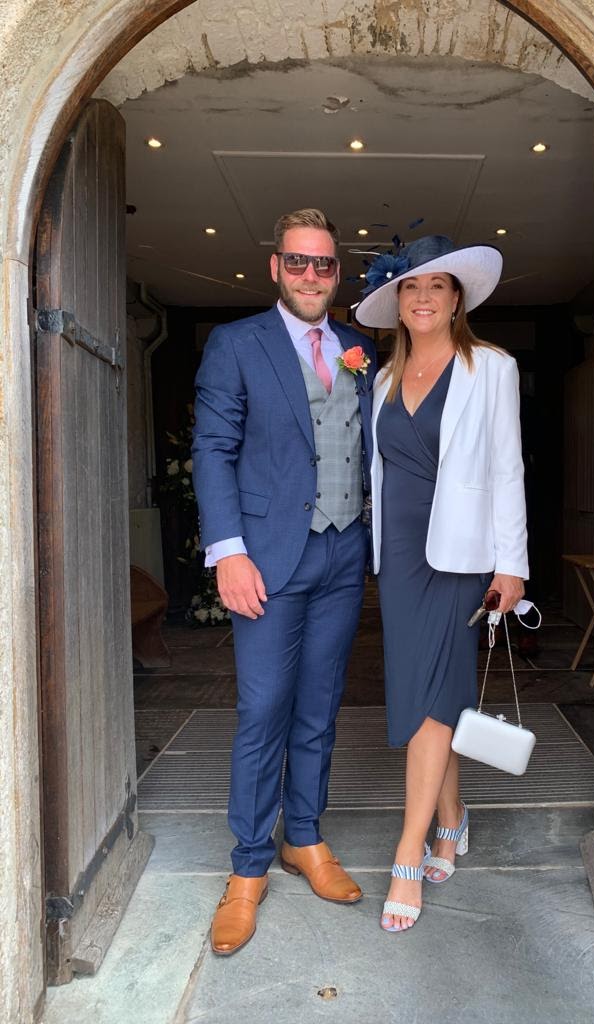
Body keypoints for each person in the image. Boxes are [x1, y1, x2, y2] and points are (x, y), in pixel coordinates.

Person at [192, 208, 377, 955]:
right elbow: (212, 448)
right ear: (275, 267)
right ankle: (246, 868)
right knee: (263, 710)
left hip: (340, 556)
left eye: (324, 264)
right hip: (265, 557)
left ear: (338, 273)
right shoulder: (236, 344)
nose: (310, 275)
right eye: (297, 262)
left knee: (320, 708)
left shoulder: (357, 346)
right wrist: (228, 551)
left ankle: (303, 836)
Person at [355, 235, 528, 932]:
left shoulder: (491, 367)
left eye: (436, 287)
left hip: (459, 558)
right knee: (428, 695)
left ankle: (408, 851)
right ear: (398, 301)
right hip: (399, 556)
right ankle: (452, 821)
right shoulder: (383, 378)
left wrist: (511, 563)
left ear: (457, 299)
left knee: (431, 702)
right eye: (410, 288)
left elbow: (509, 467)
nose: (422, 299)